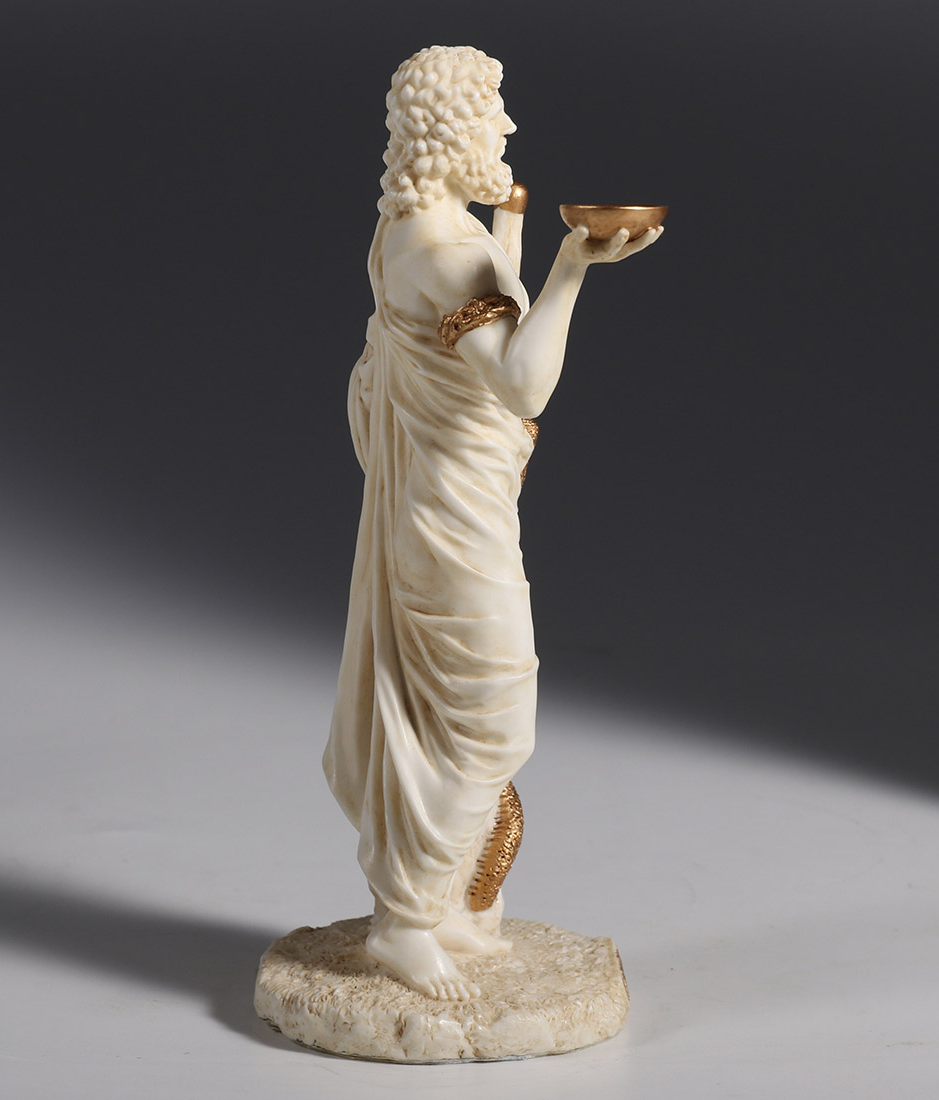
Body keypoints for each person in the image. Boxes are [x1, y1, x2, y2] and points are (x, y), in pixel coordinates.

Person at [323, 45, 662, 1001]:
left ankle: (440, 907)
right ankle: (403, 919)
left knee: (450, 717)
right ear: (445, 132)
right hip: (452, 520)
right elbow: (520, 381)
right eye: (491, 113)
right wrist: (572, 268)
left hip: (439, 504)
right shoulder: (444, 253)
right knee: (487, 715)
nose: (506, 128)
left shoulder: (405, 230)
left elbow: (459, 331)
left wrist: (507, 228)